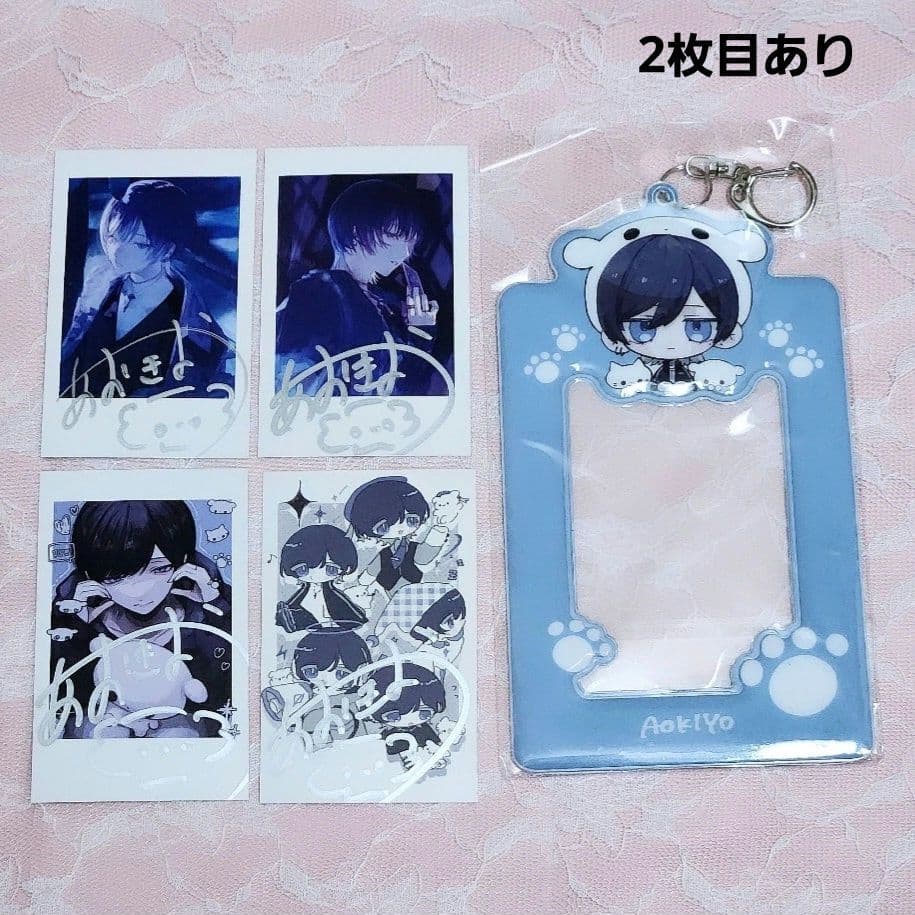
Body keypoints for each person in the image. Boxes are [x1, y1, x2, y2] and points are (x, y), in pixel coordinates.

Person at [50, 500, 232, 738]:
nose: (140, 591)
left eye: (159, 569)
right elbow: (59, 697)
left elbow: (226, 693)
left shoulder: (204, 608)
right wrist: (77, 625)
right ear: (89, 574)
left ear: (184, 561)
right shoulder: (73, 615)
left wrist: (215, 607)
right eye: (116, 575)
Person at [60, 179, 233, 399]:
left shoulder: (191, 318)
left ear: (168, 249)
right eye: (114, 237)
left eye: (139, 244)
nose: (118, 251)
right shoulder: (100, 284)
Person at [275, 179, 442, 396]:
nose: (405, 253)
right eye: (394, 236)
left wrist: (420, 332)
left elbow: (404, 390)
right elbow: (295, 380)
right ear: (355, 232)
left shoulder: (382, 304)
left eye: (410, 242)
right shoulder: (322, 290)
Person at [593, 233, 743, 386]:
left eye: (697, 326)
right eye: (643, 328)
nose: (671, 344)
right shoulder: (644, 367)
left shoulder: (701, 367)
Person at [344, 476, 448, 594]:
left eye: (412, 520)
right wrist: (365, 579)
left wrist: (438, 533)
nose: (401, 529)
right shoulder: (384, 554)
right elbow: (373, 568)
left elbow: (424, 558)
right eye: (383, 527)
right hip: (391, 593)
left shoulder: (413, 548)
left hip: (416, 590)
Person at [275, 524, 367, 635]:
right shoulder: (303, 591)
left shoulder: (333, 593)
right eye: (302, 570)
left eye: (331, 569)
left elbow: (345, 605)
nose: (316, 575)